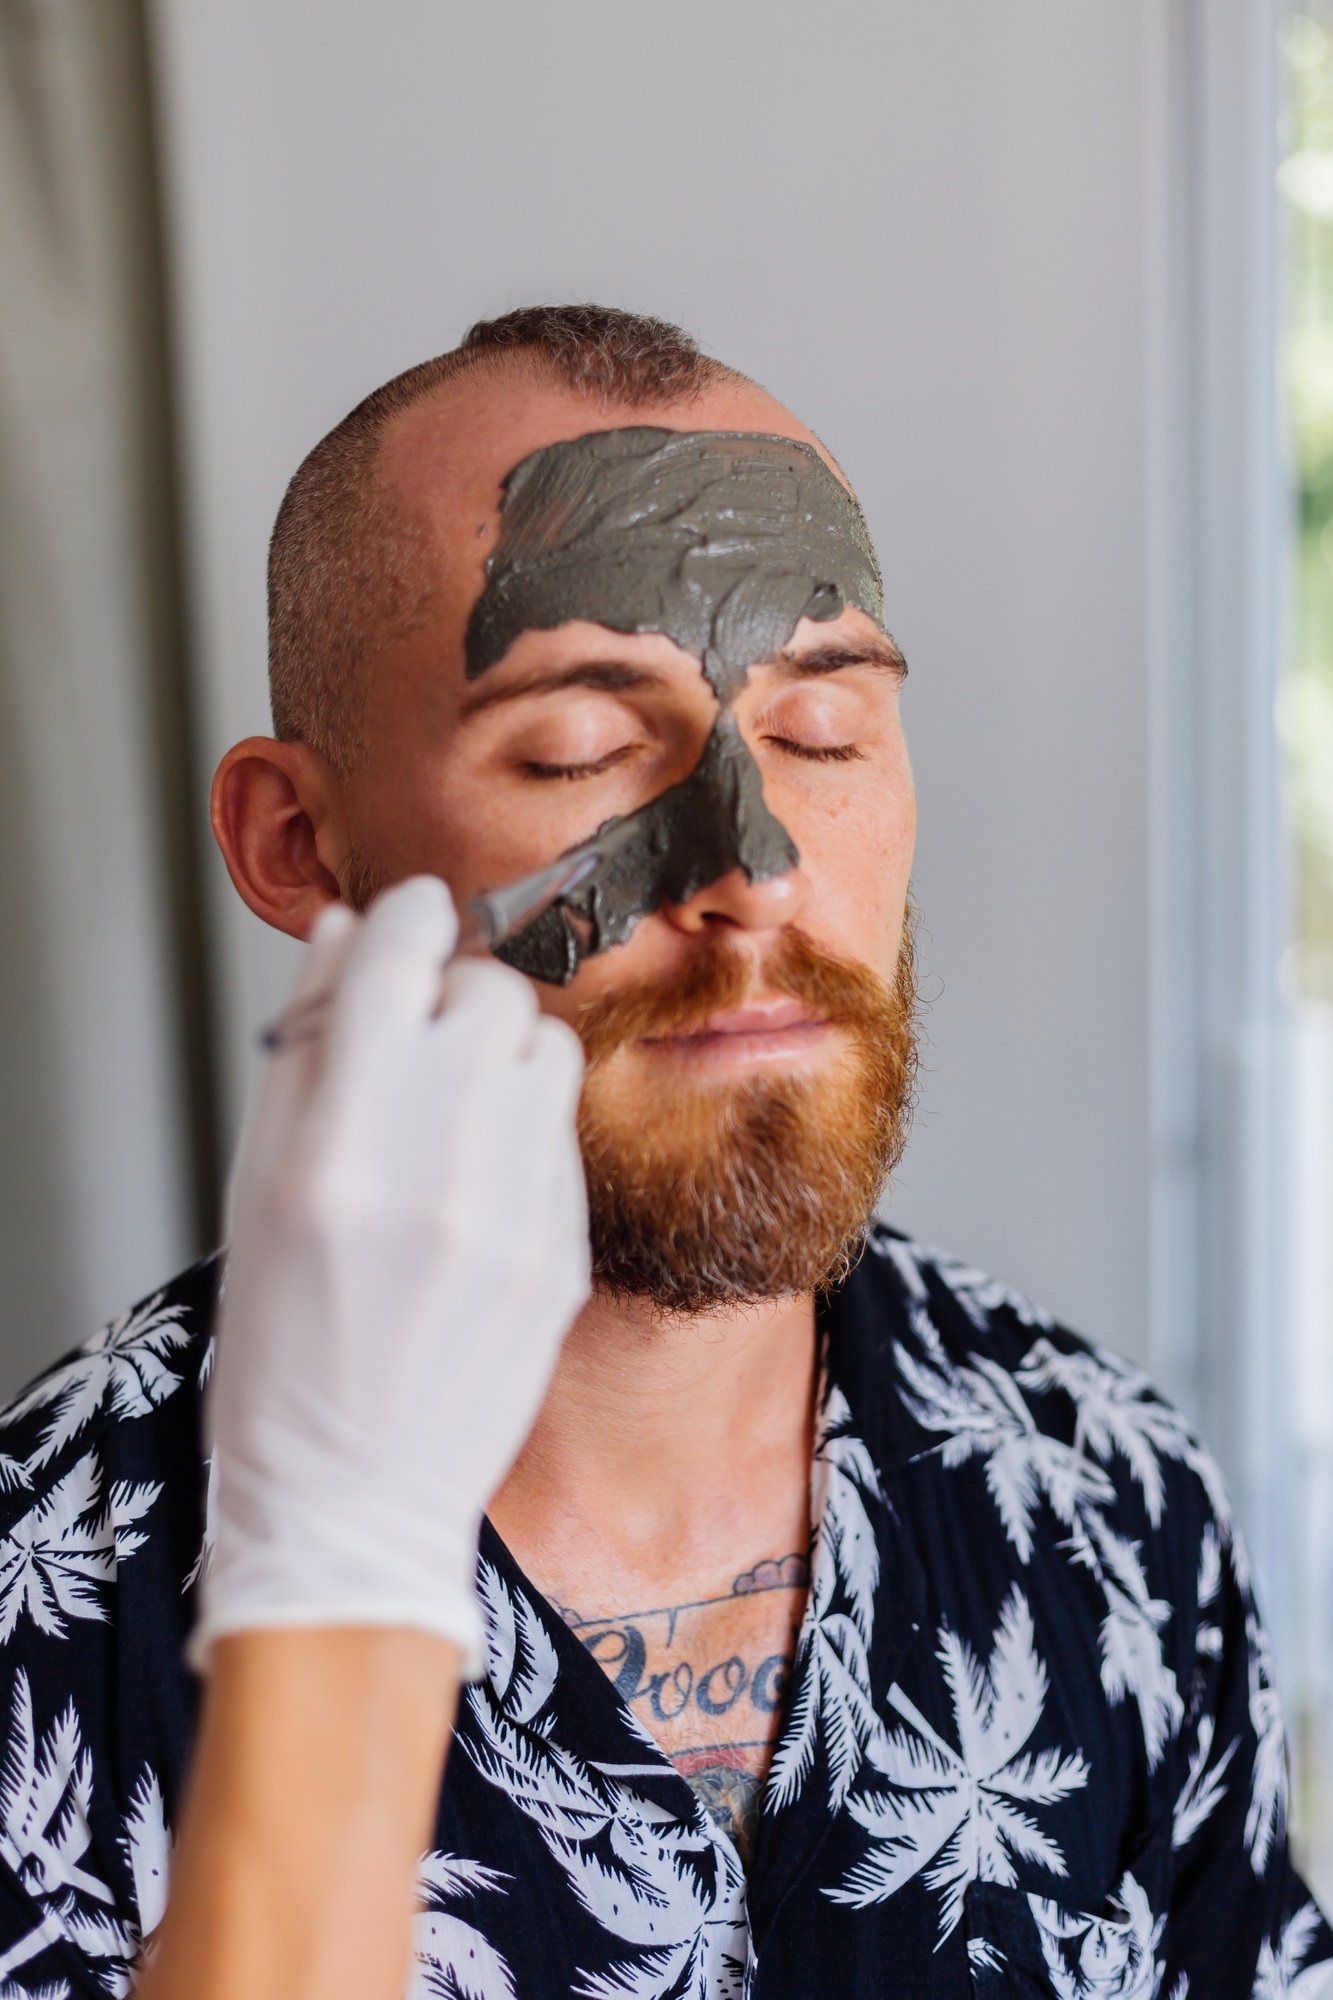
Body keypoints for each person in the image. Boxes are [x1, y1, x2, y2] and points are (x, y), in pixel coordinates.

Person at [0, 304, 1326, 2000]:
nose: (753, 869)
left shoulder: (1111, 1497)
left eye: (822, 730)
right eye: (578, 748)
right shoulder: (53, 1616)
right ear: (296, 841)